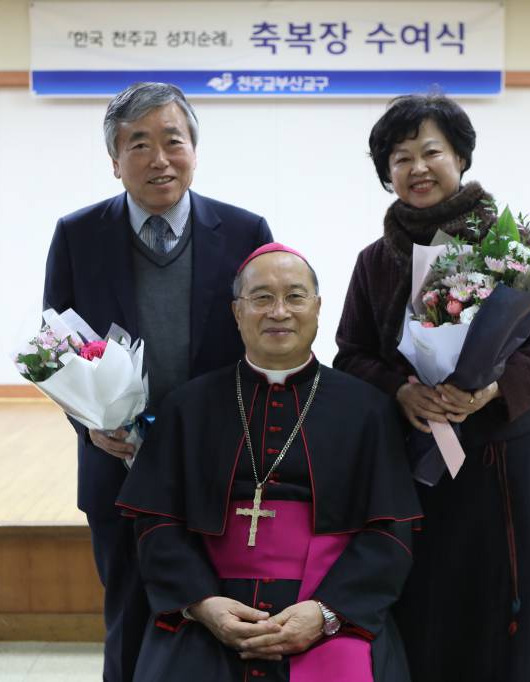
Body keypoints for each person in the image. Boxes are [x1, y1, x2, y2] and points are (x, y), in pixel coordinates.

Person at [333, 94, 530, 681]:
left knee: (513, 592)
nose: (416, 168)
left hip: (505, 455)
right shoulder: (374, 261)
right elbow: (349, 354)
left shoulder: (511, 246)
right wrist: (400, 391)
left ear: (460, 157)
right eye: (399, 158)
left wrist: (494, 388)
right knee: (429, 593)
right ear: (386, 175)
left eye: (431, 151)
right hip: (415, 461)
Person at [42, 82, 272, 682]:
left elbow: (270, 338)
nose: (158, 158)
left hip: (219, 465)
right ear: (114, 161)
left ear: (194, 149)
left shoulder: (246, 232)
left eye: (173, 139)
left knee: (220, 613)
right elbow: (56, 347)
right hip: (116, 466)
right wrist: (90, 426)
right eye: (138, 143)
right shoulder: (77, 234)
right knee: (129, 611)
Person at [116, 243, 422, 682]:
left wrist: (326, 613)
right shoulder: (188, 406)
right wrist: (204, 605)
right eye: (261, 298)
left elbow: (391, 535)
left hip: (329, 601)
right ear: (237, 312)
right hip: (212, 601)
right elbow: (157, 523)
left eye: (295, 296)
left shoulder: (368, 409)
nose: (279, 311)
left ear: (318, 309)